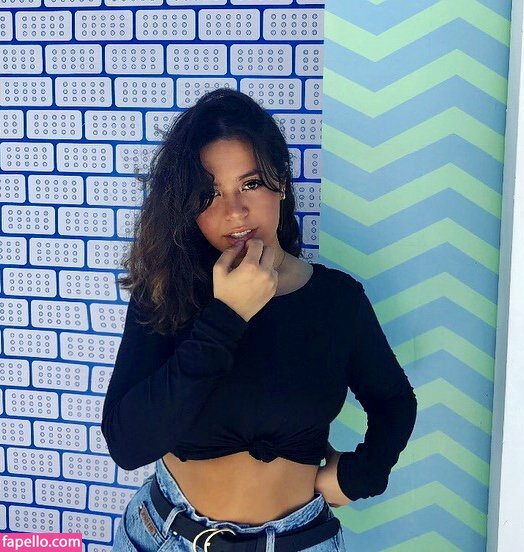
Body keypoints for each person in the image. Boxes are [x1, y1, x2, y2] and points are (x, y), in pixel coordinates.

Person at [101, 87, 418, 552]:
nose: (234, 211)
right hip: (168, 536)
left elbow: (394, 400)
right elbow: (127, 444)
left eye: (250, 184)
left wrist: (361, 476)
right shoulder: (167, 290)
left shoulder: (337, 299)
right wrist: (227, 315)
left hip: (299, 540)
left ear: (281, 182)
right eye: (209, 194)